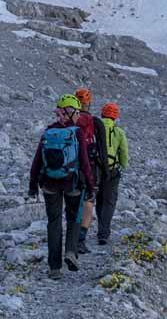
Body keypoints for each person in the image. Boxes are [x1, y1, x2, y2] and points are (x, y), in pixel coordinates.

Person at [28, 95, 95, 279]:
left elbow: (37, 161)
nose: (78, 116)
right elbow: (84, 162)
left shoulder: (48, 131)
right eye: (77, 112)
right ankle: (71, 252)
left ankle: (54, 268)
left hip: (49, 184)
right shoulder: (77, 132)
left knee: (54, 222)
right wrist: (91, 185)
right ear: (71, 111)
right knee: (73, 218)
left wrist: (32, 185)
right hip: (72, 182)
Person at [72, 88, 107, 254]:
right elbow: (102, 150)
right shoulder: (96, 122)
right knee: (88, 202)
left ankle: (70, 239)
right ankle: (80, 240)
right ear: (89, 102)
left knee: (72, 201)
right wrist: (105, 171)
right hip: (91, 168)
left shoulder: (69, 121)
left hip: (72, 167)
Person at [96, 102, 129, 246]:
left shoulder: (94, 127)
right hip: (113, 170)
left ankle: (100, 228)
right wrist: (122, 167)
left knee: (99, 200)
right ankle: (103, 233)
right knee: (109, 201)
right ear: (115, 116)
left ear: (102, 113)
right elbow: (124, 153)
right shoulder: (119, 132)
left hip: (96, 169)